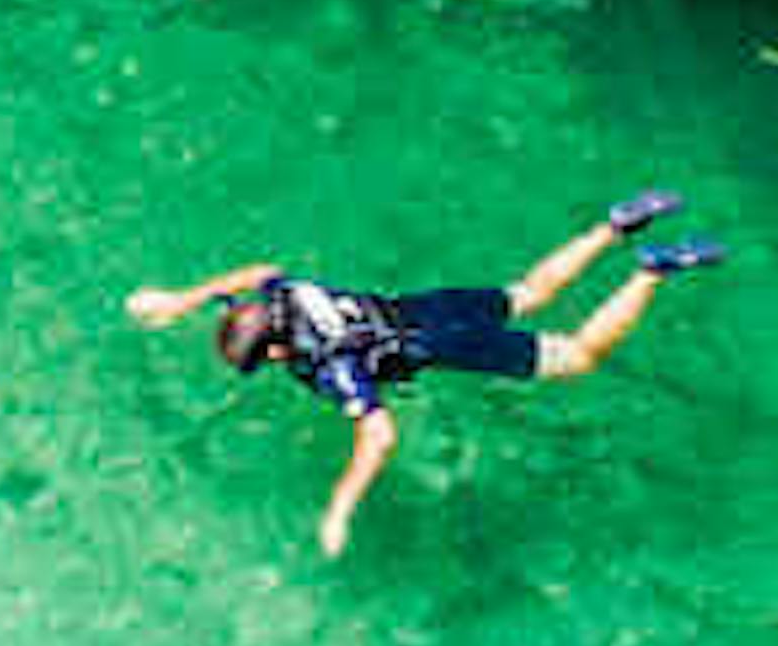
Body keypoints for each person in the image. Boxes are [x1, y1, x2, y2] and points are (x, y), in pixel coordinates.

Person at [124, 190, 723, 556]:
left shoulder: (333, 366)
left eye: (269, 359)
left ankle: (652, 271)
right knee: (530, 290)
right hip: (420, 306)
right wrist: (179, 300)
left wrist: (340, 505)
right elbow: (253, 272)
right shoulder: (288, 294)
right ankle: (616, 226)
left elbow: (379, 436)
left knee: (579, 356)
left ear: (278, 350)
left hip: (440, 341)